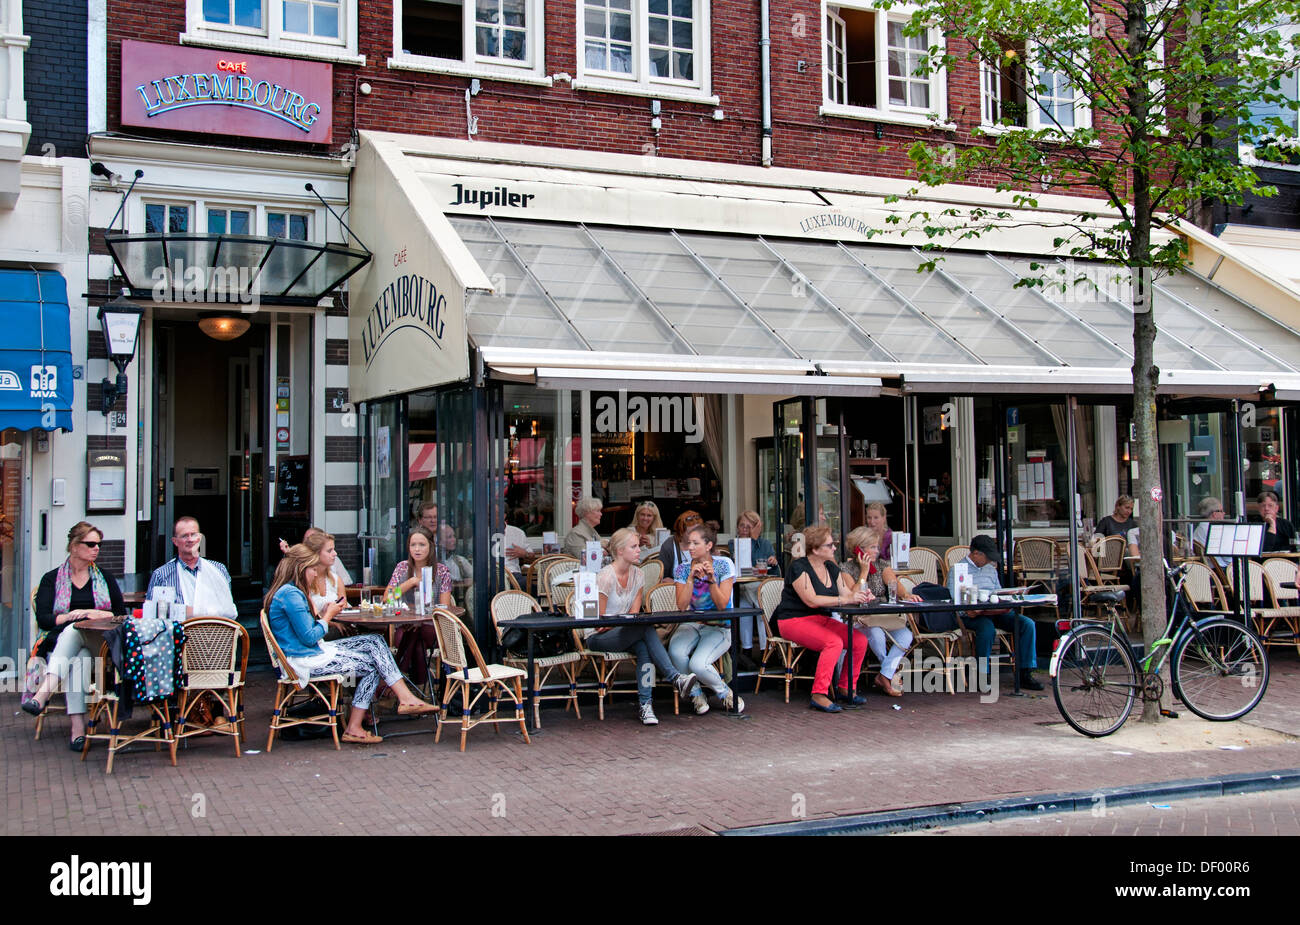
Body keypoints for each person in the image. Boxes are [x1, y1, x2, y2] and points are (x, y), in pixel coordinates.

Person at [266, 545, 437, 744]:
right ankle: (357, 725)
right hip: (303, 659)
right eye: (313, 569)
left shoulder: (291, 592)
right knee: (372, 664)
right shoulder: (291, 594)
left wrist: (323, 615)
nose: (315, 574)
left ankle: (403, 697)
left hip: (309, 652)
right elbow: (309, 636)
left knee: (375, 641)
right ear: (301, 568)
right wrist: (327, 616)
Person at [23, 522, 128, 750]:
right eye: (90, 544)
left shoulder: (105, 578)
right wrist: (70, 616)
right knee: (77, 658)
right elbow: (44, 619)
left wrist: (93, 614)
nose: (96, 549)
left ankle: (42, 695)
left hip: (102, 644)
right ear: (73, 546)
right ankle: (78, 731)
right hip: (67, 646)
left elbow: (121, 615)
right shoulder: (51, 579)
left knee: (74, 630)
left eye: (99, 544)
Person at [586, 527, 697, 725]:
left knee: (643, 644)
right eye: (634, 546)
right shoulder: (605, 576)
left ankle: (646, 706)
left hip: (625, 631)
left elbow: (634, 614)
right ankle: (675, 678)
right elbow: (599, 622)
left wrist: (624, 622)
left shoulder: (638, 574)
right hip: (598, 637)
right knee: (644, 627)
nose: (639, 550)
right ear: (620, 551)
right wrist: (624, 622)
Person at [770, 524, 872, 713]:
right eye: (830, 545)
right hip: (792, 620)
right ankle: (819, 694)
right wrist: (846, 599)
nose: (834, 548)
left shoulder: (831, 568)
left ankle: (845, 687)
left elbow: (849, 593)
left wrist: (863, 581)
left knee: (859, 640)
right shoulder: (798, 567)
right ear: (815, 549)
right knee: (833, 642)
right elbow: (811, 600)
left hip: (818, 618)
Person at [948, 535, 1042, 691]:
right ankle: (982, 675)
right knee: (986, 629)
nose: (990, 561)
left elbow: (997, 592)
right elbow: (956, 601)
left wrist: (1006, 600)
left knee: (1027, 624)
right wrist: (973, 608)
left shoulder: (990, 570)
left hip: (994, 611)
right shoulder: (958, 570)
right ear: (976, 553)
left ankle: (1025, 672)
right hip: (971, 615)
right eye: (987, 557)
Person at [670, 522, 745, 714]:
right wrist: (690, 579)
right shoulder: (682, 568)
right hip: (692, 624)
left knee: (698, 664)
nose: (690, 548)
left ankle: (725, 693)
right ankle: (696, 694)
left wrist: (711, 580)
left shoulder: (723, 565)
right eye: (688, 543)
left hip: (719, 626)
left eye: (695, 543)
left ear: (709, 545)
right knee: (676, 652)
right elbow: (681, 606)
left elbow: (722, 604)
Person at [840, 526, 917, 698]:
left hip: (883, 616)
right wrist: (865, 570)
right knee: (876, 634)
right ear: (859, 548)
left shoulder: (883, 566)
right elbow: (852, 594)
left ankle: (884, 674)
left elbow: (894, 584)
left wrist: (906, 595)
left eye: (877, 546)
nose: (877, 550)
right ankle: (888, 675)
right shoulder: (846, 569)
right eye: (872, 547)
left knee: (906, 636)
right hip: (860, 617)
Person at [385, 527, 451, 686]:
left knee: (418, 631)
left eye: (422, 545)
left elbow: (445, 608)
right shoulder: (402, 568)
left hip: (431, 626)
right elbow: (387, 600)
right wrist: (411, 582)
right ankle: (421, 691)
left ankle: (398, 680)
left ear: (431, 547)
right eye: (413, 545)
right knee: (416, 642)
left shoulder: (441, 571)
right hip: (405, 625)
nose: (417, 549)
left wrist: (420, 621)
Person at [146, 516, 238, 619]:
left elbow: (228, 610)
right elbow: (153, 617)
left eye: (193, 535)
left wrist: (187, 611)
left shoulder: (219, 570)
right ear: (175, 541)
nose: (190, 539)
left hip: (215, 633)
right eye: (184, 536)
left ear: (199, 538)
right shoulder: (161, 575)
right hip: (179, 634)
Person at [734, 510, 779, 662]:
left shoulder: (766, 544)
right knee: (760, 605)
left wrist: (773, 561)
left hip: (758, 585)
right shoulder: (734, 543)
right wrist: (752, 539)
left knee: (746, 606)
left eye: (749, 526)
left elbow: (775, 571)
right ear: (737, 527)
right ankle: (765, 649)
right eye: (742, 526)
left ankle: (747, 649)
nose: (745, 530)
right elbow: (743, 564)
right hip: (744, 586)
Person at [301, 529, 351, 619]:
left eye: (334, 549)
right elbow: (307, 618)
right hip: (320, 629)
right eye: (329, 551)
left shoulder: (336, 579)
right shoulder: (304, 580)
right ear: (316, 553)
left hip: (339, 625)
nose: (335, 553)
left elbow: (344, 609)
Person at [659, 509, 702, 576]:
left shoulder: (704, 543)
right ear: (681, 532)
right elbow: (662, 576)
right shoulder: (668, 546)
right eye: (690, 533)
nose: (695, 536)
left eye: (697, 532)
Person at [1191, 497, 1230, 568]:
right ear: (1214, 514)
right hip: (1220, 570)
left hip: (1210, 569)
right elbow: (1228, 557)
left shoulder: (1200, 528)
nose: (1224, 513)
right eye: (1221, 511)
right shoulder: (1214, 530)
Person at [1254, 489, 1296, 554]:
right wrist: (1272, 524)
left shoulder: (1286, 524)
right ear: (1259, 509)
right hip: (1262, 562)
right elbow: (1265, 550)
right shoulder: (1255, 526)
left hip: (1286, 561)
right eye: (1263, 505)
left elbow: (1293, 548)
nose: (1266, 509)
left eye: (1270, 505)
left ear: (1276, 508)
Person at [502, 508, 537, 588]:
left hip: (512, 574)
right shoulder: (483, 533)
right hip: (490, 575)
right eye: (489, 514)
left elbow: (532, 558)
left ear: (504, 515)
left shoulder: (517, 533)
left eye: (495, 513)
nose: (490, 517)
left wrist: (524, 554)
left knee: (527, 586)